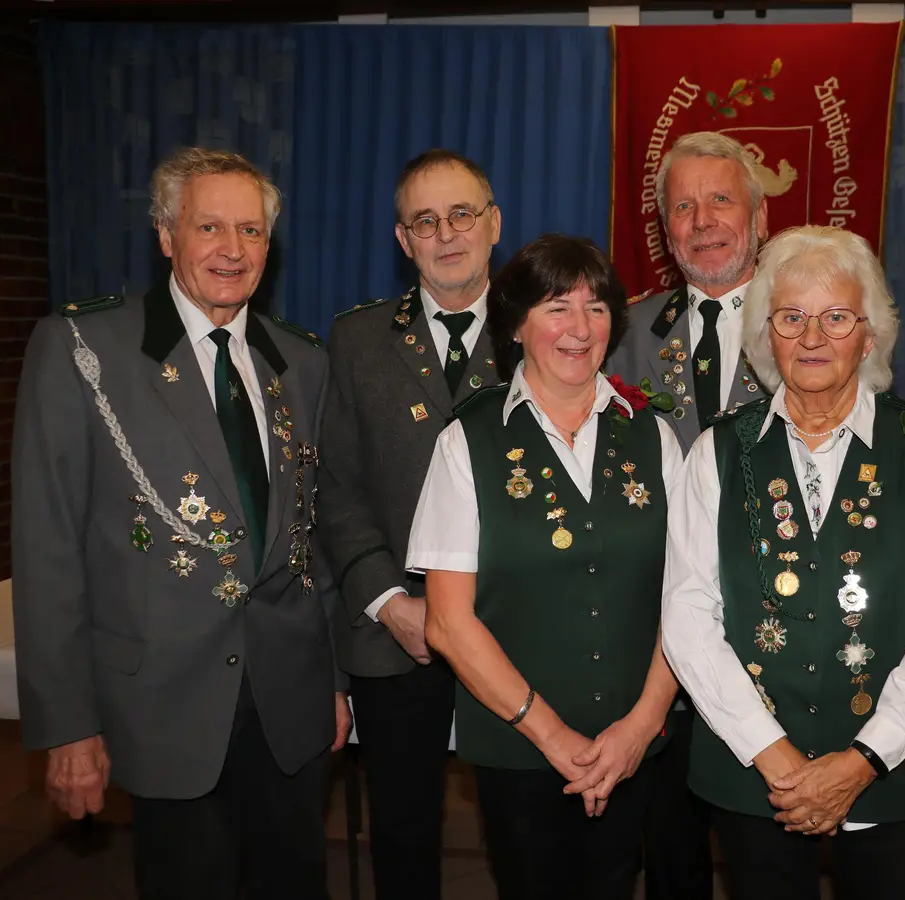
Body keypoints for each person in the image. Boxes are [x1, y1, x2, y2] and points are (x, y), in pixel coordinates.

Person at [11, 146, 350, 900]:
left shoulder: (300, 361)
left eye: (252, 230)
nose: (233, 250)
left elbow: (310, 537)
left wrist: (332, 681)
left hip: (288, 706)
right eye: (210, 228)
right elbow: (48, 550)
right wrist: (67, 727)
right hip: (162, 705)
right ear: (166, 235)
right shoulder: (83, 350)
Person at [661, 225, 905, 900]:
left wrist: (863, 759)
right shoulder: (717, 453)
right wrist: (776, 756)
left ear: (869, 336)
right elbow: (689, 616)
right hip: (756, 777)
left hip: (894, 770)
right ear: (764, 336)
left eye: (836, 317)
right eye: (791, 317)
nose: (812, 337)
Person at [406, 234, 684, 900]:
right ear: (517, 325)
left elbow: (690, 599)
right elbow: (447, 623)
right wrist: (554, 736)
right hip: (519, 750)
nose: (579, 328)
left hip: (633, 746)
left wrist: (640, 728)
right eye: (557, 307)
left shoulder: (653, 435)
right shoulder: (465, 440)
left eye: (596, 307)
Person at [317, 148, 503, 900]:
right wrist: (390, 603)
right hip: (399, 630)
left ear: (494, 224)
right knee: (402, 833)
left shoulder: (547, 330)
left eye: (462, 213)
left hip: (514, 630)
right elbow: (336, 488)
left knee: (528, 827)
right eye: (426, 220)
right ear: (403, 241)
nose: (447, 233)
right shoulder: (356, 341)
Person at [604, 130, 773, 898]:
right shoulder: (623, 334)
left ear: (759, 216)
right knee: (670, 851)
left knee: (769, 851)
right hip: (660, 641)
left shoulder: (807, 323)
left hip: (779, 634)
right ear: (664, 228)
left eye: (720, 200)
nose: (702, 220)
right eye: (683, 206)